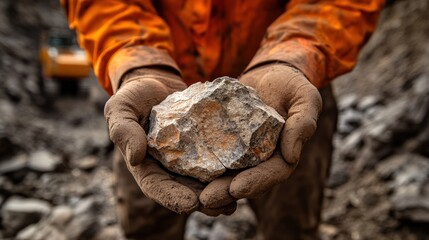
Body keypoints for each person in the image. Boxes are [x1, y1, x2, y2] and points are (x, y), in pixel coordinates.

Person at [61, 0, 385, 239]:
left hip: (288, 89)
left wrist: (293, 56)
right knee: (146, 226)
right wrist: (137, 64)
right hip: (157, 98)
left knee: (291, 225)